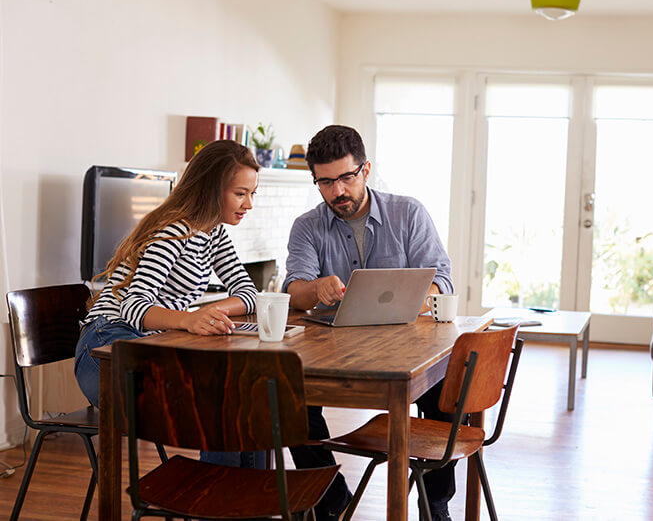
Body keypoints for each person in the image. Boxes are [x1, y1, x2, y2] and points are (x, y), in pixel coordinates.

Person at [282, 125, 455, 521]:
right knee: (288, 399)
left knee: (447, 394)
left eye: (346, 177)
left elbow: (441, 279)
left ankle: (435, 502)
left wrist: (420, 295)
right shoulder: (307, 226)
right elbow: (294, 289)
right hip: (332, 349)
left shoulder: (408, 212)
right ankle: (328, 493)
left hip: (407, 346)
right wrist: (316, 289)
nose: (337, 191)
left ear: (365, 170)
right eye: (325, 182)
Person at [74, 139, 264, 469]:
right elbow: (133, 306)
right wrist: (189, 320)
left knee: (248, 399)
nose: (249, 204)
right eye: (240, 193)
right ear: (210, 188)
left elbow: (249, 294)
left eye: (252, 193)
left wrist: (211, 312)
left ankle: (251, 505)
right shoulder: (172, 230)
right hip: (105, 348)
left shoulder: (213, 233)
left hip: (150, 344)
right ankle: (218, 504)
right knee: (221, 402)